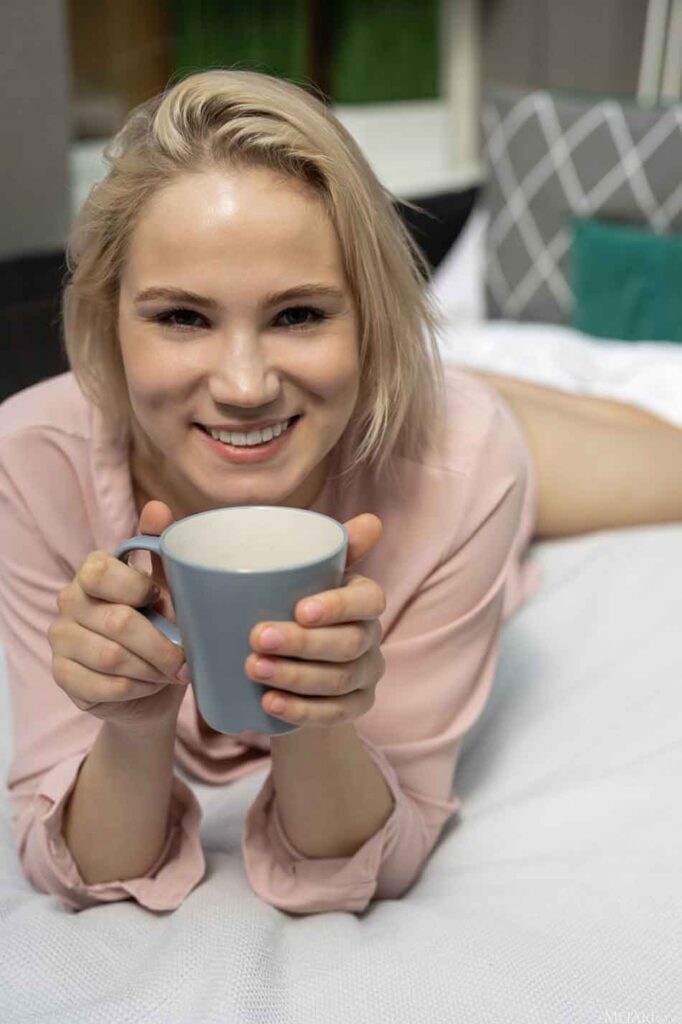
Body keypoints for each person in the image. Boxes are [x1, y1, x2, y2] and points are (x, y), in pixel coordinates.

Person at [1, 69, 680, 916]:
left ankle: (437, 371)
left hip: (409, 424)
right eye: (182, 317)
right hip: (351, 407)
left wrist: (318, 720)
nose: (244, 384)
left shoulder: (460, 464)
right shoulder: (32, 464)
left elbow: (371, 860)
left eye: (300, 314)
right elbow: (85, 860)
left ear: (370, 317)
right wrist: (132, 729)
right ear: (106, 319)